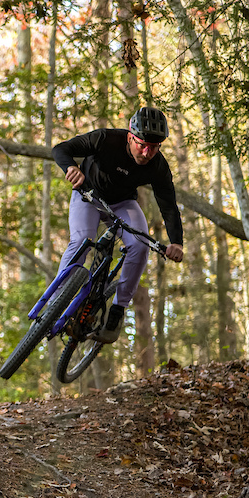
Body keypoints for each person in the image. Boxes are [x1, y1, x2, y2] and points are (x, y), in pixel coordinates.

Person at [51, 106, 184, 344]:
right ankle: (55, 303)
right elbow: (61, 149)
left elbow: (168, 205)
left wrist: (177, 243)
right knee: (81, 241)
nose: (147, 152)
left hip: (122, 204)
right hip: (88, 195)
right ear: (130, 137)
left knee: (141, 244)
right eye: (142, 144)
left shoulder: (158, 166)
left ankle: (116, 314)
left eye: (154, 147)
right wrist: (70, 167)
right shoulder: (105, 139)